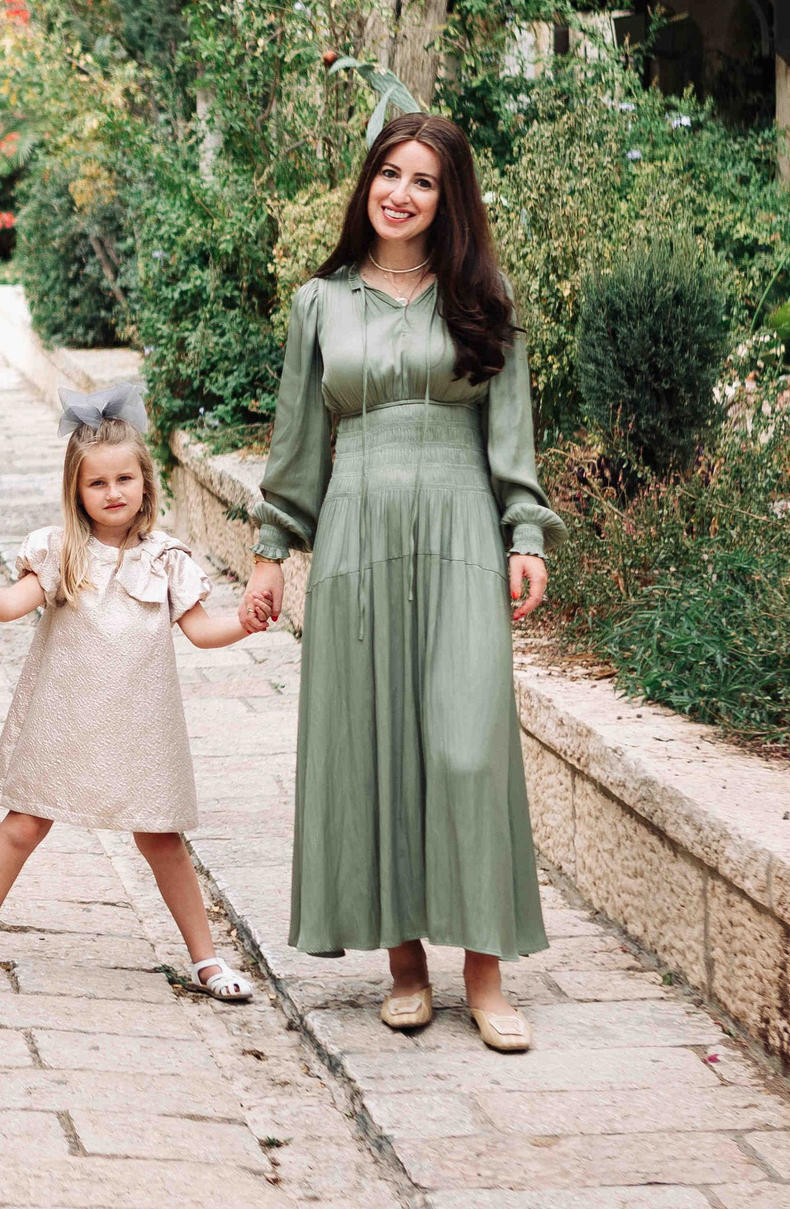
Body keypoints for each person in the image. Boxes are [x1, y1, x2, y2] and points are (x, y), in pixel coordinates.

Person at [236, 109, 561, 1054]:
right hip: (359, 536)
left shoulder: (483, 296)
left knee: (469, 745)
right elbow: (297, 447)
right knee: (374, 740)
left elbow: (512, 435)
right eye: (388, 173)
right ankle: (408, 966)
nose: (401, 194)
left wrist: (525, 532)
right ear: (366, 182)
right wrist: (270, 554)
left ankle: (487, 974)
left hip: (461, 524)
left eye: (423, 180)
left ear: (447, 197)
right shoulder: (320, 304)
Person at [0, 385, 261, 1001]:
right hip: (65, 717)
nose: (114, 494)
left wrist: (244, 621)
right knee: (25, 821)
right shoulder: (63, 553)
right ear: (76, 492)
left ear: (146, 482)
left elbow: (200, 631)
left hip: (140, 723)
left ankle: (207, 959)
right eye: (98, 484)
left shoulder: (167, 560)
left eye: (124, 480)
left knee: (160, 835)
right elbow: (7, 607)